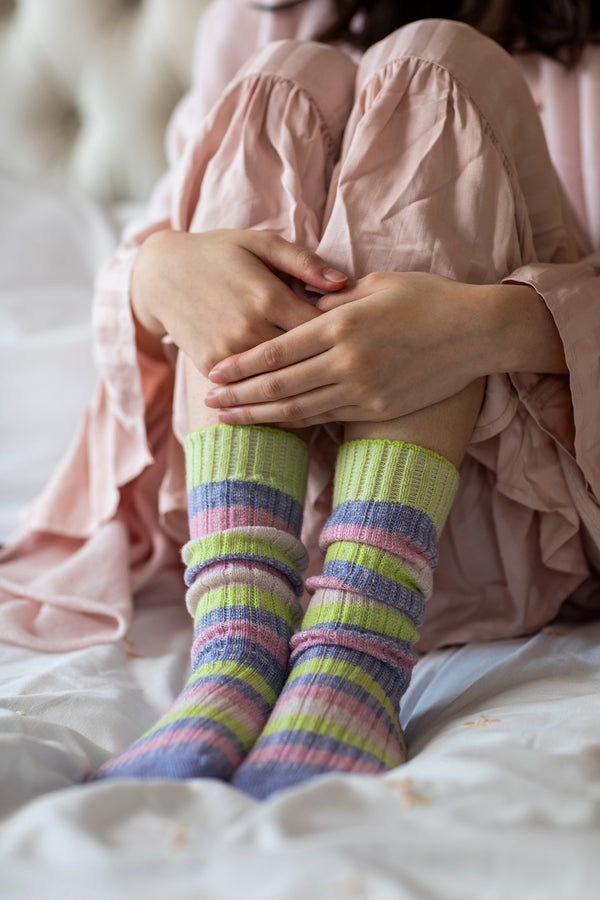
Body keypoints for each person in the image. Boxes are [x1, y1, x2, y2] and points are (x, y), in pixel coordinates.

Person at [1, 0, 600, 800]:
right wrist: (161, 273)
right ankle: (236, 649)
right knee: (282, 85)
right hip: (277, 514)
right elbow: (161, 232)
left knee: (436, 66)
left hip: (509, 519)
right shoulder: (268, 15)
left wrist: (489, 327)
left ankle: (359, 645)